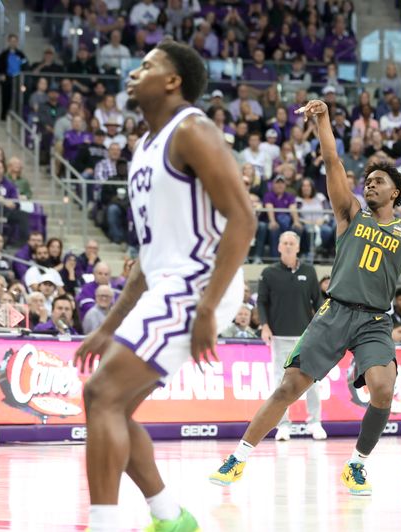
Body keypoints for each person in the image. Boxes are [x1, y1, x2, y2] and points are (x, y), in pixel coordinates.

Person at [208, 98, 401, 495]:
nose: (370, 184)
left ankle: (357, 465)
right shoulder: (350, 213)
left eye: (379, 181)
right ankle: (238, 458)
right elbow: (332, 161)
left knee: (383, 390)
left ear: (396, 191)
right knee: (288, 388)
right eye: (368, 180)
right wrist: (324, 120)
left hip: (375, 321)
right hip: (334, 312)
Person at [72, 41, 255, 531]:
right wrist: (109, 326)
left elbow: (244, 218)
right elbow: (148, 261)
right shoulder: (142, 150)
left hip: (199, 280)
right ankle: (171, 517)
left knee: (101, 393)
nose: (134, 72)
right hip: (170, 282)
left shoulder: (193, 129)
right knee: (113, 406)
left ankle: (108, 523)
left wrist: (207, 306)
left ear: (172, 81)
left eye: (147, 65)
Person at [256, 231, 326, 441]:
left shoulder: (309, 271)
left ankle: (315, 422)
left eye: (292, 243)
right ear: (278, 247)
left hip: (306, 337)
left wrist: (323, 328)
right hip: (279, 337)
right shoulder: (269, 273)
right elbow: (261, 302)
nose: (288, 246)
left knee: (312, 381)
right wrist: (264, 326)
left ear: (297, 247)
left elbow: (319, 302)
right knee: (280, 383)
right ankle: (283, 425)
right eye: (284, 243)